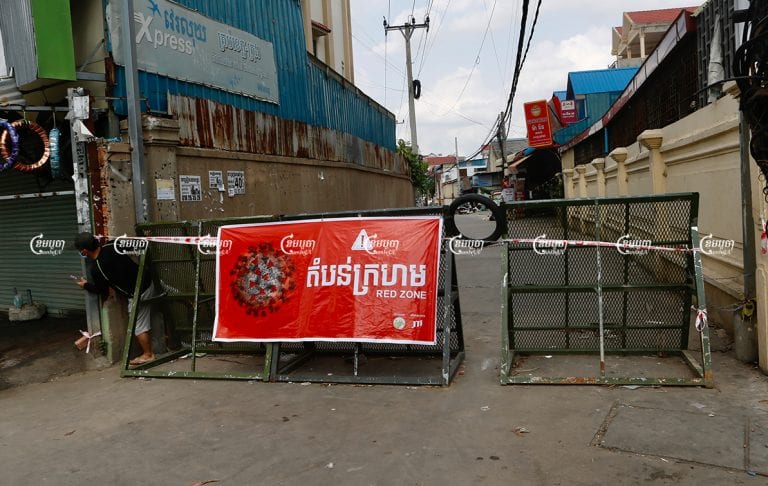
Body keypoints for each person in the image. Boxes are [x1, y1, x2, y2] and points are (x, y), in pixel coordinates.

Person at [73, 232, 155, 365]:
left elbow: (101, 290)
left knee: (138, 326)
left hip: (138, 293)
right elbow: (138, 243)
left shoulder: (97, 269)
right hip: (149, 281)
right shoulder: (112, 245)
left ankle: (148, 354)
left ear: (84, 251)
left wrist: (85, 285)